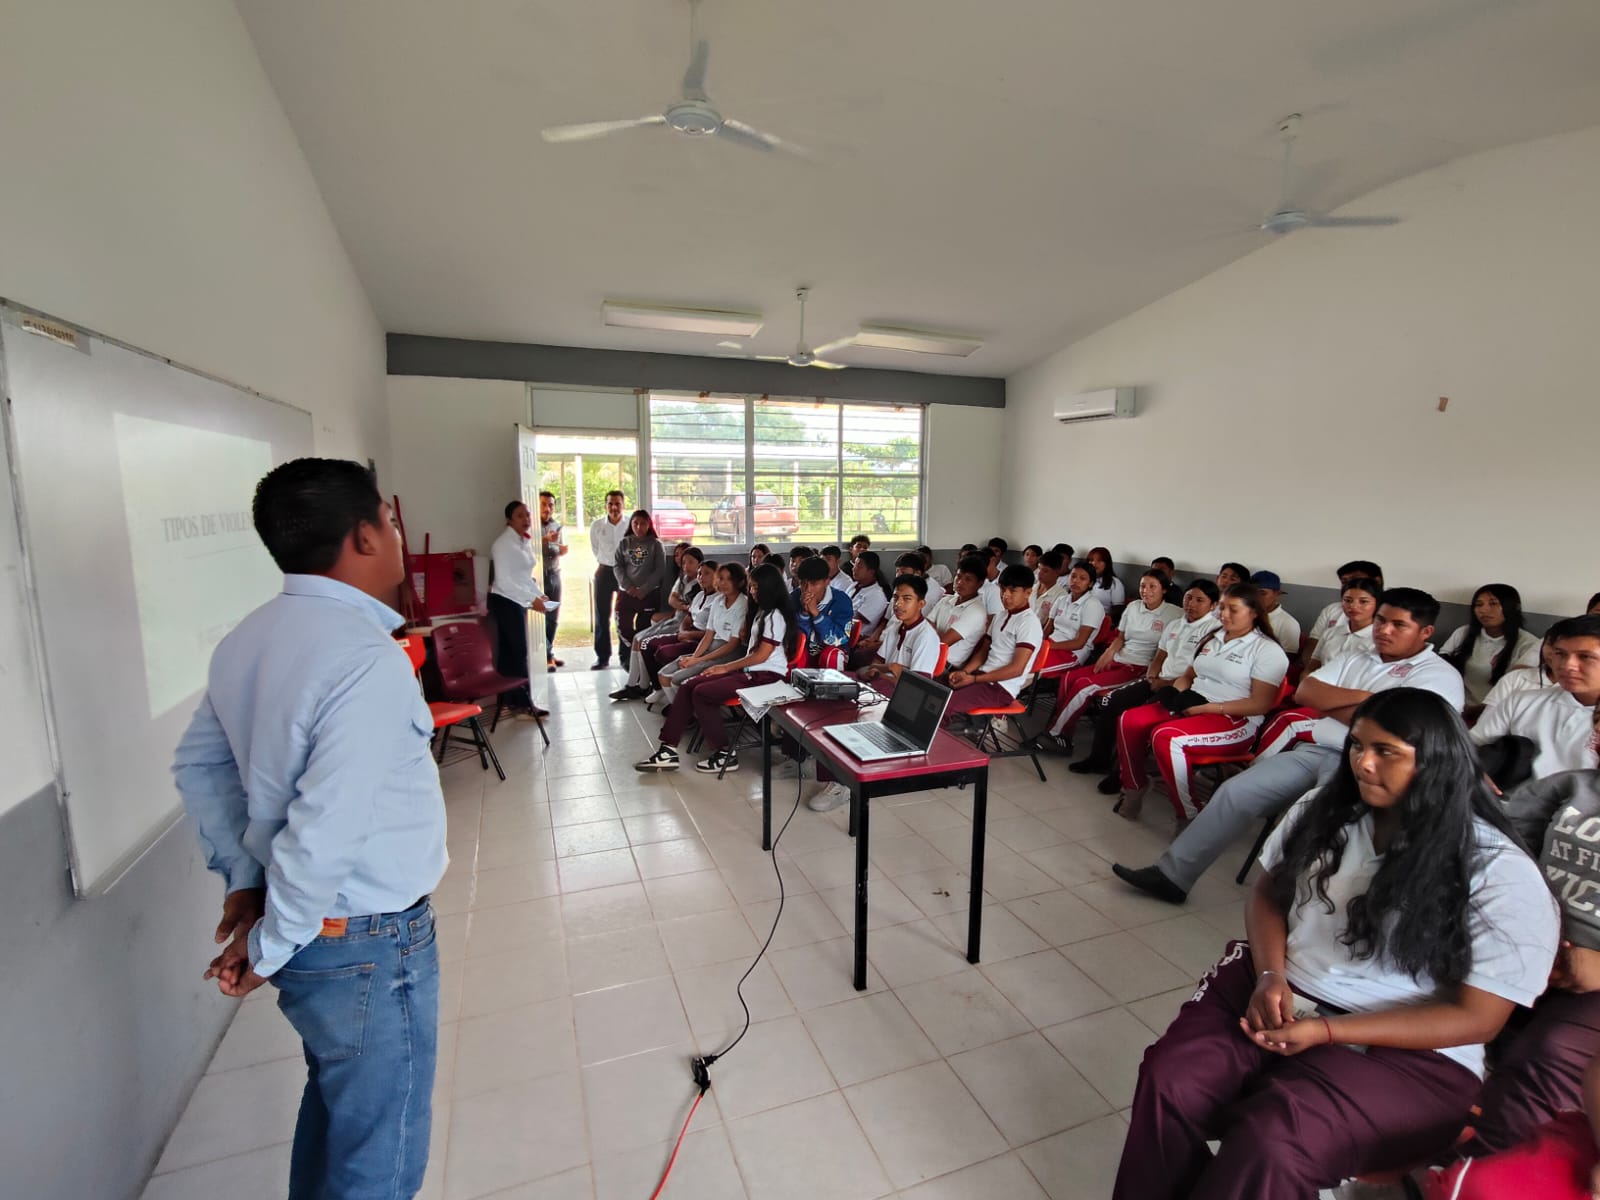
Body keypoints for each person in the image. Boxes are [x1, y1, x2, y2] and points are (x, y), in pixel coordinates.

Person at [1113, 689, 1559, 1200]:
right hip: (1285, 986)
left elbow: (1479, 1018)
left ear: (1438, 761)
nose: (1363, 764)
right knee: (1171, 1083)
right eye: (1356, 745)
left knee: (1274, 1141)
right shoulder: (1328, 809)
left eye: (1386, 751)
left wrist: (1329, 1031)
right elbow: (1267, 892)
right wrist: (1270, 975)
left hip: (1409, 1042)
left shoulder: (1498, 871)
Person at [172, 458, 447, 1199]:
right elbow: (326, 829)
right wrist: (271, 939)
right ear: (363, 537)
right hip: (363, 938)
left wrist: (246, 881)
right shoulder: (364, 659)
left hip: (314, 932)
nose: (396, 536)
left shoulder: (247, 640)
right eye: (388, 523)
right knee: (379, 1159)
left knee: (337, 1116)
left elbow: (199, 766)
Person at [1114, 587, 1461, 902]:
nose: (1384, 630)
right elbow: (1307, 691)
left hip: (1368, 768)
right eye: (1382, 621)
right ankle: (1173, 876)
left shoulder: (1437, 676)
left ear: (1425, 632)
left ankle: (1296, 907)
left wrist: (1340, 705)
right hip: (1316, 750)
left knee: (1312, 819)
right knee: (1235, 793)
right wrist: (1374, 700)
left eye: (1398, 625)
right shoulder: (1359, 658)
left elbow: (1398, 730)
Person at [1111, 583, 1289, 822]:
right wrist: (1175, 695)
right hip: (1194, 702)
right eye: (1222, 608)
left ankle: (1189, 813)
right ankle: (1135, 785)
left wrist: (1208, 709)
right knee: (1130, 720)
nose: (1223, 615)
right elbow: (1188, 676)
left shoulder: (1267, 650)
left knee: (1166, 737)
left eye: (1233, 610)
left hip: (1233, 718)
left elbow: (1260, 705)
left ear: (1254, 612)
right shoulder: (1213, 638)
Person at [635, 562, 796, 774]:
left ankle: (724, 753)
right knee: (689, 685)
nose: (753, 591)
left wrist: (725, 668)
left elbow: (761, 656)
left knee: (702, 692)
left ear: (769, 587)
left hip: (765, 677)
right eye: (752, 586)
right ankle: (668, 750)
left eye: (756, 587)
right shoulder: (762, 611)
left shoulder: (775, 615)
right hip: (750, 672)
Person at [808, 574, 942, 813]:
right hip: (881, 686)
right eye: (896, 598)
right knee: (823, 693)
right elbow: (877, 665)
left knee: (843, 714)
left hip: (902, 700)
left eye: (907, 599)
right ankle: (800, 757)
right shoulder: (894, 627)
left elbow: (918, 685)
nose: (898, 604)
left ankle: (841, 784)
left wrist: (888, 672)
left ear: (921, 603)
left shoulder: (926, 636)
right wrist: (886, 670)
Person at [1069, 579, 1220, 785]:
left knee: (1135, 718)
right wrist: (1152, 675)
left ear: (1213, 605)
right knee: (1111, 701)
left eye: (1199, 600)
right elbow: (1160, 655)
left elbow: (1198, 673)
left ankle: (1122, 774)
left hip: (1184, 689)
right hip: (1159, 679)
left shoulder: (1213, 631)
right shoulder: (1176, 623)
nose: (1191, 604)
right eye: (1188, 598)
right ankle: (1099, 759)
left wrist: (1164, 684)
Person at [1046, 569, 1182, 742]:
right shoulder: (1133, 607)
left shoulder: (1175, 614)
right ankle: (1060, 727)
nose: (1146, 590)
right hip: (1119, 658)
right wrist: (1108, 654)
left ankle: (1056, 734)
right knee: (1069, 678)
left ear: (1164, 589)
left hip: (1138, 667)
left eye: (1152, 586)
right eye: (1142, 586)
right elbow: (1120, 637)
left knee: (1084, 685)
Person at [1471, 615, 1600, 778]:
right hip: (1507, 800)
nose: (1568, 665)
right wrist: (1477, 771)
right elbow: (1471, 746)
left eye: (1585, 656)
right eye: (1560, 654)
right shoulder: (1521, 701)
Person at [945, 564, 1043, 720]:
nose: (1006, 595)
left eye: (1013, 591)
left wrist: (975, 679)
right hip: (982, 677)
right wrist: (965, 672)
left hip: (1001, 687)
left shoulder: (1029, 623)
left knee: (943, 706)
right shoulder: (1000, 616)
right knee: (935, 690)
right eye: (1003, 589)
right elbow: (983, 652)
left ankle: (933, 743)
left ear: (1028, 593)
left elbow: (1017, 669)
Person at [610, 546, 704, 701]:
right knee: (637, 639)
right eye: (684, 562)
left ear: (700, 563)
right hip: (675, 619)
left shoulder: (699, 584)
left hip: (683, 625)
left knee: (644, 642)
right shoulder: (682, 579)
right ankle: (634, 684)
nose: (686, 566)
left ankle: (645, 686)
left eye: (691, 562)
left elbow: (691, 610)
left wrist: (680, 605)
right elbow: (672, 599)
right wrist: (682, 605)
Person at [487, 500, 554, 716]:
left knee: (511, 653)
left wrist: (537, 595)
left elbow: (522, 576)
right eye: (519, 516)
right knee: (518, 652)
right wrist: (531, 599)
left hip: (516, 600)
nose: (526, 520)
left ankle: (512, 701)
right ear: (509, 520)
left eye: (527, 515)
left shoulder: (522, 541)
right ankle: (524, 702)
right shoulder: (503, 545)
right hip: (505, 601)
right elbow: (505, 581)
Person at [650, 561, 749, 707]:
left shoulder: (743, 604)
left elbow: (732, 645)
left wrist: (697, 661)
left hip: (729, 653)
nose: (724, 583)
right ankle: (683, 712)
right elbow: (709, 635)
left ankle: (685, 712)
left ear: (740, 582)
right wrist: (694, 657)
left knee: (677, 678)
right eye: (721, 578)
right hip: (711, 648)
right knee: (664, 674)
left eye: (729, 579)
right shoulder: (718, 600)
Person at [1441, 583, 1543, 714]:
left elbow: (1517, 690)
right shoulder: (1463, 633)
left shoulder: (1527, 644)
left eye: (1493, 604)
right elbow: (1443, 667)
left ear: (1512, 607)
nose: (1484, 610)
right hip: (1455, 708)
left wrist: (1476, 711)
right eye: (1479, 605)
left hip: (1496, 713)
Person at [612, 509, 665, 670]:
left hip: (648, 595)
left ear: (649, 525)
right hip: (626, 593)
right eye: (635, 523)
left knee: (644, 630)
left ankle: (642, 665)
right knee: (624, 627)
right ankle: (630, 658)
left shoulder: (656, 545)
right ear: (631, 524)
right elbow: (618, 566)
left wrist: (644, 589)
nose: (639, 527)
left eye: (643, 523)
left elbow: (659, 570)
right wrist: (628, 587)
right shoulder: (624, 543)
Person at [1305, 560, 1385, 659]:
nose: (1353, 606)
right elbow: (1313, 643)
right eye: (1344, 582)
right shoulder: (1332, 616)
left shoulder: (1382, 634)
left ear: (1377, 581)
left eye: (1363, 601)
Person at [927, 555, 991, 675]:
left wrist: (932, 631)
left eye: (968, 579)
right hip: (928, 653)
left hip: (945, 666)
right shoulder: (946, 600)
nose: (960, 582)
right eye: (959, 576)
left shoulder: (977, 611)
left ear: (980, 584)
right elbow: (924, 625)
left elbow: (942, 643)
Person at [1302, 576, 1380, 672]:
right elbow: (1311, 668)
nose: (1353, 606)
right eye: (1347, 600)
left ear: (1378, 604)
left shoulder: (1379, 640)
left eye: (1363, 601)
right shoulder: (1330, 633)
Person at [790, 554, 855, 669]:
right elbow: (792, 636)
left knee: (831, 655)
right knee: (794, 651)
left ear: (827, 581)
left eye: (814, 584)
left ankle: (832, 687)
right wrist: (804, 614)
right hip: (805, 650)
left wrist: (816, 614)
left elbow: (839, 639)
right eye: (803, 583)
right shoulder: (794, 598)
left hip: (833, 649)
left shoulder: (841, 601)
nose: (808, 589)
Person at [589, 489, 627, 669]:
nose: (614, 507)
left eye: (617, 503)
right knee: (602, 615)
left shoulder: (629, 525)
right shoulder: (597, 525)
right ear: (606, 505)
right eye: (610, 503)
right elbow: (595, 548)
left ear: (623, 505)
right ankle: (602, 657)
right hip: (604, 572)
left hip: (624, 573)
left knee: (623, 615)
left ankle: (625, 657)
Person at [1041, 560, 1105, 664]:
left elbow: (1079, 643)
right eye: (1073, 576)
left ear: (1090, 583)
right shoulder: (1062, 599)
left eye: (1082, 578)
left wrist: (1047, 646)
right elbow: (1048, 629)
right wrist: (1038, 644)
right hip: (1051, 644)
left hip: (1072, 652)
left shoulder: (1092, 605)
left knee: (1031, 668)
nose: (1075, 581)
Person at [845, 550, 893, 668]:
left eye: (859, 566)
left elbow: (855, 621)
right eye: (855, 565)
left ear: (871, 571)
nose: (854, 569)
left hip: (855, 637)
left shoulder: (876, 594)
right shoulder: (853, 586)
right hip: (843, 629)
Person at [537, 490, 566, 668]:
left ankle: (548, 653)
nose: (548, 508)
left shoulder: (556, 526)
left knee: (553, 618)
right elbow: (529, 549)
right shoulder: (531, 527)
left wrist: (560, 549)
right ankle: (545, 655)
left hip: (555, 574)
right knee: (539, 618)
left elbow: (556, 550)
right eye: (544, 504)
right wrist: (545, 541)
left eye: (551, 505)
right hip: (538, 578)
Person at [1251, 570, 1302, 656]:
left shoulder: (1288, 623)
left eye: (1262, 593)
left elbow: (1289, 657)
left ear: (1277, 594)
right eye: (1253, 593)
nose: (1257, 597)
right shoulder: (1243, 615)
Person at [1085, 546, 1126, 611]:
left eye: (1099, 560)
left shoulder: (1115, 583)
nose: (1094, 563)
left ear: (1107, 563)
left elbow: (1118, 610)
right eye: (1091, 560)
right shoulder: (1083, 579)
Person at [1031, 550, 1067, 620]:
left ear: (1057, 572)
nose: (1039, 573)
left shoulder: (1062, 595)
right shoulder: (1032, 588)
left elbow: (1053, 623)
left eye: (1045, 571)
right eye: (1039, 568)